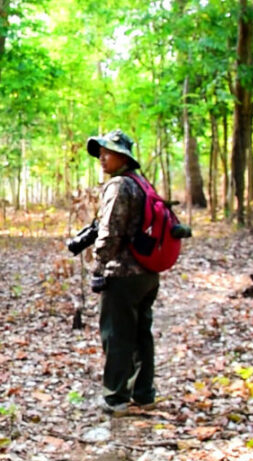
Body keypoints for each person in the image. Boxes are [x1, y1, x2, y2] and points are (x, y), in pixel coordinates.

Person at [85, 129, 159, 413]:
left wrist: (98, 266)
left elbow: (110, 232)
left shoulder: (118, 186)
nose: (102, 158)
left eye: (109, 153)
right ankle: (144, 394)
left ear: (123, 157)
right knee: (141, 334)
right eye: (101, 153)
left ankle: (115, 397)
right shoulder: (142, 183)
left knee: (116, 335)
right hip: (147, 272)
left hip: (122, 274)